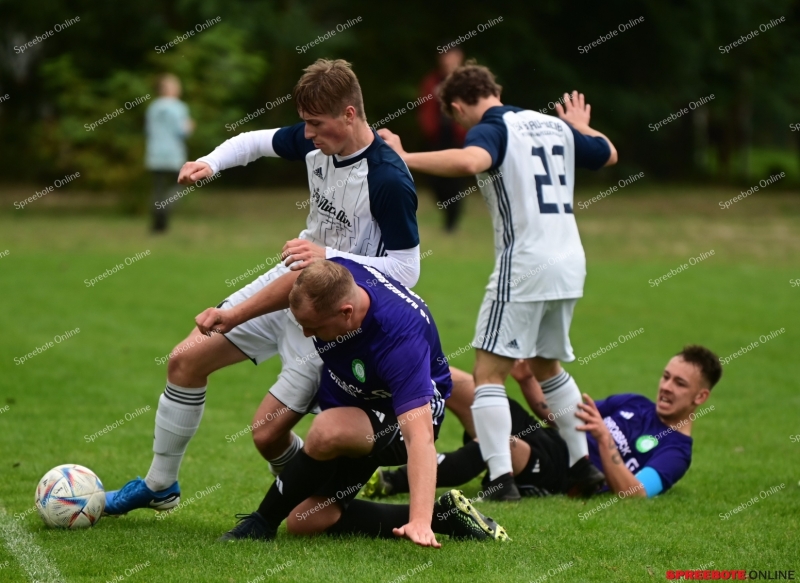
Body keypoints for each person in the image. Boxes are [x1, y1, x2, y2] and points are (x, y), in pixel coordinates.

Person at [104, 59, 423, 516]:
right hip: (290, 283)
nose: (308, 134)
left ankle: (315, 498)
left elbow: (407, 270)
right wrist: (210, 162)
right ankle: (160, 484)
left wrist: (331, 258)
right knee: (184, 361)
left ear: (349, 115)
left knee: (267, 433)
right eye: (305, 124)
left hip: (334, 317)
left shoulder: (388, 179)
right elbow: (256, 142)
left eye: (316, 124)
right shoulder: (316, 142)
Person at [379, 61, 618, 500]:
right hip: (571, 262)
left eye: (455, 118)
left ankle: (501, 480)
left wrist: (405, 157)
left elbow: (472, 160)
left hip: (526, 263)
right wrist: (582, 128)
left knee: (488, 373)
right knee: (548, 364)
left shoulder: (491, 128)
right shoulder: (553, 125)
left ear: (456, 106)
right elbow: (608, 154)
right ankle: (583, 468)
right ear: (496, 88)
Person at [213, 259, 508, 545]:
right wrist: (235, 315)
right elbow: (295, 281)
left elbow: (419, 437)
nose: (306, 333)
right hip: (355, 401)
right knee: (305, 521)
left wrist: (419, 520)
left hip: (398, 418)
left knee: (328, 429)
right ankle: (444, 516)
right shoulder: (336, 276)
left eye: (314, 326)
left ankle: (261, 522)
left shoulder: (398, 340)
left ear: (346, 312)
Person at [368, 346, 722, 499]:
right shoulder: (634, 403)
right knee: (466, 387)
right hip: (549, 440)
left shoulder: (677, 451)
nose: (665, 387)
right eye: (665, 376)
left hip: (563, 473)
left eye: (679, 383)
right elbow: (558, 418)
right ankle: (389, 373)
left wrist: (604, 440)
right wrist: (526, 381)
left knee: (497, 445)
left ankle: (386, 481)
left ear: (700, 397)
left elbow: (635, 494)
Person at [417, 47, 470, 232]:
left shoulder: (466, 82)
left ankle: (452, 223)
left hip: (458, 136)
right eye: (445, 56)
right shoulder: (433, 81)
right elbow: (425, 107)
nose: (448, 60)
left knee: (455, 181)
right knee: (434, 179)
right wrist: (428, 128)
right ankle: (447, 210)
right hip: (437, 137)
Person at [145, 74, 194, 232]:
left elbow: (148, 131)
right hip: (173, 154)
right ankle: (165, 209)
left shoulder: (153, 107)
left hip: (155, 153)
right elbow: (182, 132)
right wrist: (190, 127)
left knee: (158, 189)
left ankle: (157, 221)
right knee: (179, 185)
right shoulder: (179, 107)